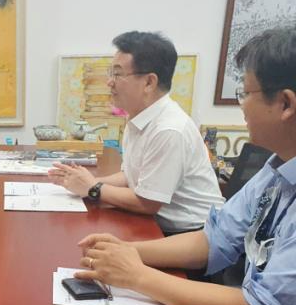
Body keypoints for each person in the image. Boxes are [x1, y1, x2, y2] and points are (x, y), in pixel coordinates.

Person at [75, 27, 296, 305]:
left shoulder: (172, 128)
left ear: (285, 104)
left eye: (246, 92)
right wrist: (128, 251)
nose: (241, 105)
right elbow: (212, 240)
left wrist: (137, 275)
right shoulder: (276, 172)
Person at [49, 31, 224, 235]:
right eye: (111, 73)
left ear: (149, 82)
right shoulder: (138, 117)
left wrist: (93, 188)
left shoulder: (168, 130)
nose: (109, 82)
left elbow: (147, 203)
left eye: (118, 74)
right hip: (160, 224)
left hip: (196, 233)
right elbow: (130, 177)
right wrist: (82, 181)